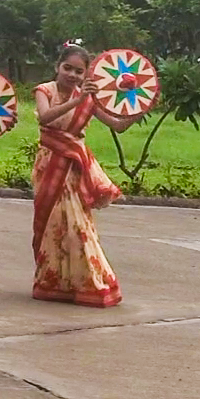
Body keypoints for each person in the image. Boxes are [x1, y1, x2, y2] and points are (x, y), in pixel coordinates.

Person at [31, 42, 135, 307]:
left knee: (78, 226)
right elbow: (45, 118)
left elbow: (118, 125)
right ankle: (52, 281)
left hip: (74, 169)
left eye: (79, 71)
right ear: (57, 67)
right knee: (53, 225)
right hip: (50, 164)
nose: (72, 75)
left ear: (87, 75)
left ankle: (88, 282)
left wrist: (136, 104)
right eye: (67, 68)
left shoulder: (90, 99)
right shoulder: (45, 90)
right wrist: (78, 99)